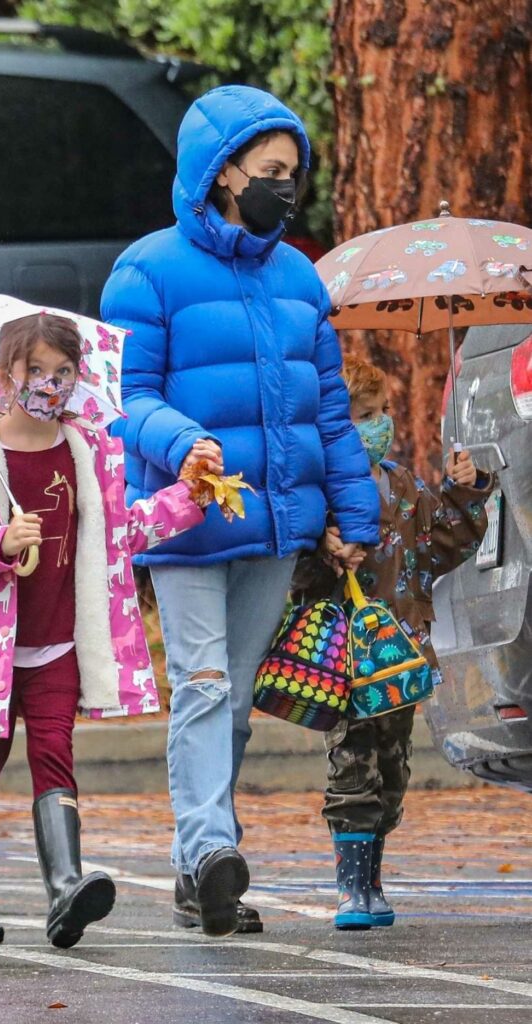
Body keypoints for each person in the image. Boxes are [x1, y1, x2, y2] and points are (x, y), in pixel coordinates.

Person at [101, 85, 380, 938]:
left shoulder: (298, 276)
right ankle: (210, 850)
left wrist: (353, 516)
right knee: (202, 683)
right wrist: (181, 439)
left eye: (292, 174)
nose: (284, 188)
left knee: (231, 696)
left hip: (275, 525)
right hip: (188, 520)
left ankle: (203, 876)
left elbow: (327, 411)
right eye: (269, 172)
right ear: (221, 173)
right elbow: (124, 395)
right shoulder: (147, 270)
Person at [0, 313, 207, 949]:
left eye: (62, 372)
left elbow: (121, 532)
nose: (48, 384)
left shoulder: (86, 449)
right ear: (5, 374)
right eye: (34, 370)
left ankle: (65, 889)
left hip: (60, 641)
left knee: (53, 757)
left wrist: (190, 497)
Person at [294, 356, 495, 930]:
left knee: (393, 765)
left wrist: (467, 492)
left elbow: (440, 545)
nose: (377, 423)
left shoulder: (401, 483)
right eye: (362, 415)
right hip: (346, 659)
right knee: (352, 765)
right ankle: (352, 887)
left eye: (381, 412)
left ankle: (374, 873)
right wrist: (324, 548)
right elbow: (296, 574)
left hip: (401, 652)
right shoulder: (320, 491)